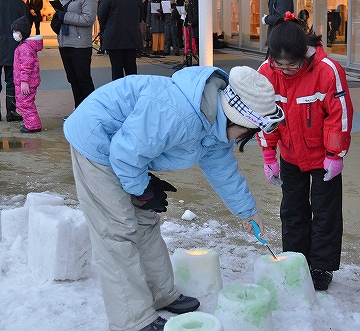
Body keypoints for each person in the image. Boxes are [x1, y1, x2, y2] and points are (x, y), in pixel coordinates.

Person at [63, 65, 282, 331]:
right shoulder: (179, 114)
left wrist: (248, 212)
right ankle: (132, 320)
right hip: (97, 144)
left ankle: (161, 293)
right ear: (239, 121)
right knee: (117, 232)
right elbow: (124, 155)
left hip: (129, 152)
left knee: (145, 222)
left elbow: (223, 171)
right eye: (248, 133)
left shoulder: (214, 123)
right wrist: (144, 191)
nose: (244, 139)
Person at [256, 12, 354, 291]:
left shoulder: (327, 70)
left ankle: (321, 266)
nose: (285, 70)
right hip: (289, 154)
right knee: (292, 210)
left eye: (292, 64)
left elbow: (340, 115)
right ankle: (295, 260)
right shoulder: (266, 73)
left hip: (323, 157)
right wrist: (268, 156)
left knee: (326, 212)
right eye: (280, 64)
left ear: (305, 53)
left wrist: (335, 156)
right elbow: (265, 117)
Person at [55, 0, 97, 113]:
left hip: (80, 45)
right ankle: (78, 111)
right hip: (64, 42)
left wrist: (65, 16)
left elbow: (88, 19)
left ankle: (91, 112)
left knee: (83, 79)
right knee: (73, 79)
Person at [11, 15, 43, 133]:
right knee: (23, 103)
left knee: (25, 104)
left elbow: (26, 67)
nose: (14, 34)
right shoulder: (24, 46)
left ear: (23, 32)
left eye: (16, 31)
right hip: (23, 82)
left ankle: (33, 125)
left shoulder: (25, 48)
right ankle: (29, 123)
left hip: (26, 83)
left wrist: (24, 82)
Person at [98, 0, 144, 80]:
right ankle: (132, 90)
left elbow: (101, 15)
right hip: (131, 36)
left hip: (114, 36)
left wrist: (108, 26)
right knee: (131, 68)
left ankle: (119, 91)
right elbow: (141, 15)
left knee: (117, 70)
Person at [0, 0, 28, 122]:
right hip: (13, 47)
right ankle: (11, 111)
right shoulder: (20, 4)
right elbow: (26, 26)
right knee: (12, 81)